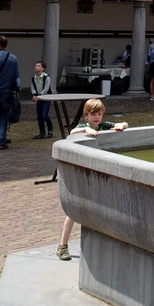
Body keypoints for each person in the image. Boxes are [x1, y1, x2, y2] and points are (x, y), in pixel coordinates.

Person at [56, 99, 129, 260]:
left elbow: (124, 123)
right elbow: (73, 132)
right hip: (82, 173)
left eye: (99, 114)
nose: (97, 117)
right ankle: (62, 245)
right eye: (93, 114)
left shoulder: (102, 126)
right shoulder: (84, 127)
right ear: (86, 115)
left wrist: (120, 126)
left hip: (97, 173)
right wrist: (86, 131)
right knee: (73, 211)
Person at [31, 60, 53, 139]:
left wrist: (39, 96)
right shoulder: (34, 77)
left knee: (44, 114)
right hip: (39, 98)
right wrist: (34, 94)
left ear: (43, 69)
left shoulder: (46, 77)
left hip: (46, 97)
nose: (36, 67)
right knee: (39, 115)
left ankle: (50, 128)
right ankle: (42, 132)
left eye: (38, 66)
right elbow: (33, 87)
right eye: (36, 65)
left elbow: (46, 88)